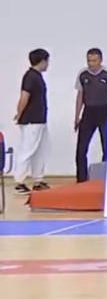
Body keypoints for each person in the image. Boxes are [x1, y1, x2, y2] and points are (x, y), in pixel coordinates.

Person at [74, 47, 107, 183]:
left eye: (94, 61)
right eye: (89, 61)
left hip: (105, 111)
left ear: (100, 60)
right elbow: (80, 95)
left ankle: (105, 178)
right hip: (88, 112)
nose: (91, 64)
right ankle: (81, 179)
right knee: (81, 148)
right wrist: (77, 116)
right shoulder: (83, 74)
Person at [12, 48, 50, 195]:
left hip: (40, 120)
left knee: (40, 150)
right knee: (27, 150)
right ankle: (19, 182)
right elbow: (24, 97)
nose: (48, 64)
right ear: (42, 61)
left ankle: (37, 180)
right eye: (47, 61)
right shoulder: (30, 77)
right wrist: (19, 114)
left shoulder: (37, 76)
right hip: (32, 121)